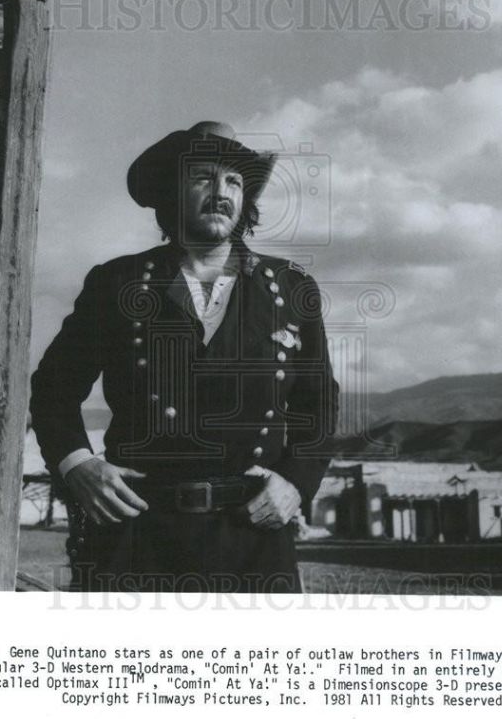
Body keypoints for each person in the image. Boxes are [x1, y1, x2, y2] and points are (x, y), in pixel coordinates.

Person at [30, 121, 338, 592]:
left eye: (233, 181)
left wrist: (296, 482)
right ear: (171, 191)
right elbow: (54, 389)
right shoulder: (118, 283)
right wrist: (78, 465)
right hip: (136, 535)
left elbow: (318, 405)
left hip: (254, 537)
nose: (221, 192)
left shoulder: (292, 288)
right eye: (203, 178)